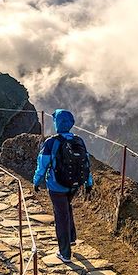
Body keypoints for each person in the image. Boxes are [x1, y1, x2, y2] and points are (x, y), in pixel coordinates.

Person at [32, 109, 93, 263]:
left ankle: (65, 253)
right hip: (74, 185)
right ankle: (71, 238)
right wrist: (88, 182)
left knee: (61, 216)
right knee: (67, 207)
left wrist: (36, 181)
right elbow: (86, 163)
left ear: (57, 123)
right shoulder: (79, 140)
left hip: (56, 185)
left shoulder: (51, 142)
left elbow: (42, 165)